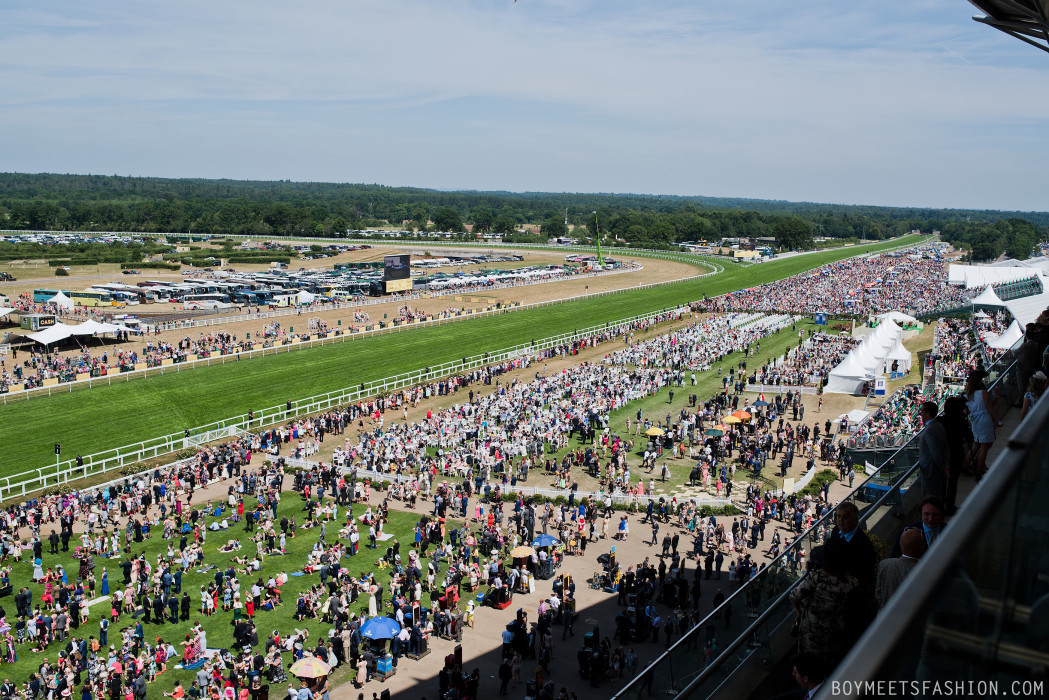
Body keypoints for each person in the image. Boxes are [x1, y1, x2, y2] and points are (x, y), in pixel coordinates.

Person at [789, 538, 860, 667]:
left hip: (812, 632)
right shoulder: (852, 583)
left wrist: (800, 613)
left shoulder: (816, 577)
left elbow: (794, 597)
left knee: (808, 665)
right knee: (829, 665)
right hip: (836, 632)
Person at [876, 528, 924, 609]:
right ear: (922, 548)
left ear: (900, 545)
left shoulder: (884, 564)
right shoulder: (925, 570)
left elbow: (878, 595)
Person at [964, 371, 1000, 479]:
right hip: (985, 420)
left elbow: (966, 413)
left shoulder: (966, 396)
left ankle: (966, 467)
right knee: (984, 447)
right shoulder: (982, 392)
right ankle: (978, 471)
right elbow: (989, 406)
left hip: (974, 421)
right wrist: (998, 419)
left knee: (976, 445)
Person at [916, 401, 948, 500]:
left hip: (929, 471)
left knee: (929, 498)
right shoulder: (938, 425)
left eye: (921, 411)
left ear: (927, 413)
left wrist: (942, 467)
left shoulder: (929, 430)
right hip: (935, 470)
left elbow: (935, 452)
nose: (920, 413)